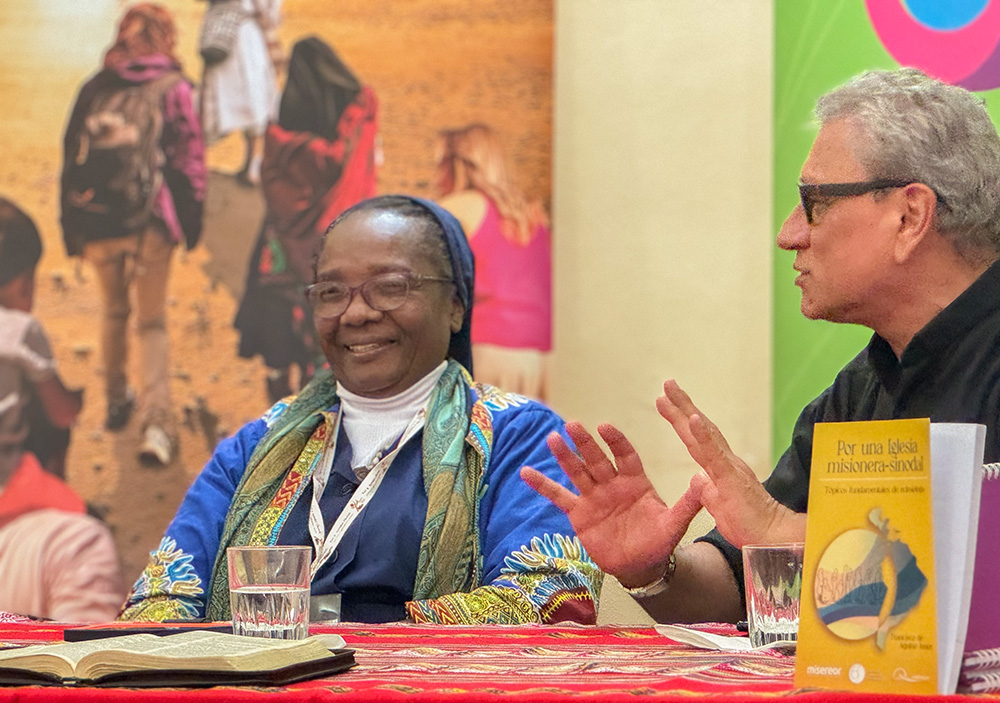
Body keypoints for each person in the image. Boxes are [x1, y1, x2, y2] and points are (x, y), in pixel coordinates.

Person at [522, 67, 1000, 624]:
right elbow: (745, 590)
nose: (789, 233)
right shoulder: (864, 384)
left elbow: (974, 586)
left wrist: (788, 532)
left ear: (910, 216)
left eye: (814, 202)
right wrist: (653, 569)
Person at [121, 195, 601, 625]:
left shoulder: (519, 435)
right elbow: (160, 599)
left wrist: (359, 640)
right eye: (331, 292)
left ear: (455, 305)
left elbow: (547, 596)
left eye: (390, 287)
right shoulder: (255, 446)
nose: (355, 313)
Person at [60, 3, 206, 467]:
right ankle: (157, 426)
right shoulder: (175, 87)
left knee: (113, 311)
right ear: (165, 36)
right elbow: (189, 160)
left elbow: (70, 156)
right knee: (152, 322)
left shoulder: (96, 84)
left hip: (98, 220)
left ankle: (116, 399)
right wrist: (191, 219)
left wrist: (72, 226)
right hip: (151, 224)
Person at [0, 196, 125, 623]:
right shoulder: (19, 329)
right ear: (19, 281)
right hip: (11, 487)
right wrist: (75, 399)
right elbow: (59, 413)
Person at [234, 36, 379, 402]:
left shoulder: (280, 144)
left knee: (278, 350)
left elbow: (269, 181)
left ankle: (281, 428)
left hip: (280, 264)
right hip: (341, 261)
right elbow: (364, 113)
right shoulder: (348, 144)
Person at [435, 124, 552, 401]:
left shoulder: (459, 206)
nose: (437, 175)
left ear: (459, 164)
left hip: (487, 348)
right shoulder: (533, 217)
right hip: (539, 356)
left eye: (441, 164)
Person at [199, 0, 282, 187]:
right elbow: (268, 9)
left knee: (218, 99)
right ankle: (253, 165)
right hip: (246, 36)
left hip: (221, 32)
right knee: (255, 99)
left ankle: (200, 162)